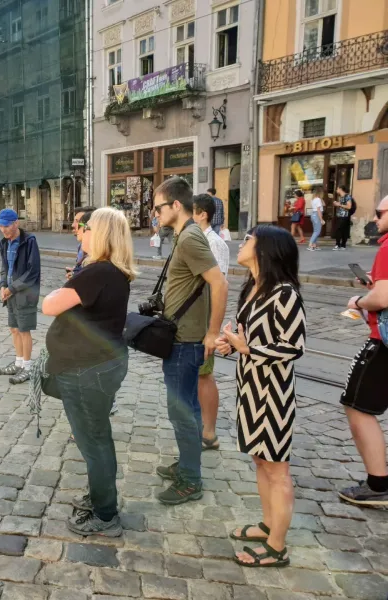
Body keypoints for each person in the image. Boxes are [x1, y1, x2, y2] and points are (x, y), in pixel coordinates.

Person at [42, 208, 136, 536]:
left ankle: (105, 513)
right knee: (97, 438)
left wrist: (70, 282)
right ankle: (101, 496)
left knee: (93, 441)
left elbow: (49, 305)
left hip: (87, 371)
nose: (84, 232)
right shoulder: (114, 271)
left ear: (102, 234)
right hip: (100, 366)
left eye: (89, 228)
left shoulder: (97, 273)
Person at [216, 225, 305, 568]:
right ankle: (269, 525)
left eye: (249, 239)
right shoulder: (254, 287)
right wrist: (232, 345)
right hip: (250, 388)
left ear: (267, 249)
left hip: (274, 394)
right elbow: (246, 339)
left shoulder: (285, 293)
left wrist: (246, 347)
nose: (242, 243)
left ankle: (277, 547)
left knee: (278, 469)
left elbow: (294, 347)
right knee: (260, 461)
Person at [152, 177, 229, 505]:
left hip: (186, 341)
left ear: (176, 206)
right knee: (188, 408)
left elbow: (220, 284)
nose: (155, 214)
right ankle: (188, 463)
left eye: (158, 207)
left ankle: (190, 481)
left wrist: (212, 333)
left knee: (181, 411)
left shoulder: (190, 238)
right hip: (181, 336)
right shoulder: (184, 235)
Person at [338, 195, 388, 508]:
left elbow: (382, 298)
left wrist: (359, 301)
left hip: (383, 344)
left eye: (382, 212)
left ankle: (377, 484)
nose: (377, 216)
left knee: (357, 406)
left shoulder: (387, 247)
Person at [192, 193, 230, 451]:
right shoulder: (199, 239)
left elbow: (219, 286)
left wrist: (212, 330)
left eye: (192, 212)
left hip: (206, 319)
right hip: (195, 318)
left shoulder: (214, 243)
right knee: (197, 375)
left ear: (202, 214)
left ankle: (209, 433)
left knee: (205, 375)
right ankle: (202, 428)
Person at [0, 208, 41, 384]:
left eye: (6, 226)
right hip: (11, 292)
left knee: (24, 330)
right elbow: (4, 268)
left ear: (16, 223)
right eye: (0, 226)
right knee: (14, 328)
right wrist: (2, 285)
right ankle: (19, 362)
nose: (3, 229)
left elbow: (33, 271)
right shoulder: (4, 243)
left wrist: (12, 288)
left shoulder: (29, 241)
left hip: (25, 293)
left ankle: (27, 367)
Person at [66, 207, 96, 281]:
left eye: (78, 222)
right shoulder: (81, 247)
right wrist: (76, 271)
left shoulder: (99, 262)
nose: (73, 225)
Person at [333, 185, 353, 250]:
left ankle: (339, 244)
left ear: (340, 189)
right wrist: (337, 203)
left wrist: (339, 204)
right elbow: (342, 205)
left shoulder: (347, 196)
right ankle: (342, 245)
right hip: (340, 215)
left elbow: (349, 206)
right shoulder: (341, 197)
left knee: (339, 229)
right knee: (341, 229)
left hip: (345, 215)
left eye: (337, 189)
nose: (336, 190)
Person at [308, 187, 325, 251]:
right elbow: (319, 210)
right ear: (320, 193)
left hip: (313, 215)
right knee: (317, 231)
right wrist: (321, 219)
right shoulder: (318, 199)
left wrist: (321, 199)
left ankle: (314, 245)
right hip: (317, 215)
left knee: (315, 231)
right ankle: (310, 245)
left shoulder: (313, 199)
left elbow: (324, 204)